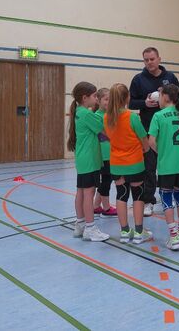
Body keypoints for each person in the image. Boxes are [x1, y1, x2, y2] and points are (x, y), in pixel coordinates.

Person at [129, 47, 179, 216]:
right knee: (149, 167)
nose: (149, 62)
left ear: (159, 59)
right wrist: (144, 103)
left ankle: (169, 196)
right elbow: (131, 103)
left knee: (169, 165)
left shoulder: (170, 77)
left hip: (169, 130)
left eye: (152, 59)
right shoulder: (138, 79)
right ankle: (148, 201)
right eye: (146, 60)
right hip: (148, 130)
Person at [104, 83, 153, 244]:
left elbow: (110, 137)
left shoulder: (107, 117)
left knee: (121, 195)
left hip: (116, 164)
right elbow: (144, 140)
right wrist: (145, 151)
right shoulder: (132, 117)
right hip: (134, 163)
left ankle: (124, 232)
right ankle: (138, 232)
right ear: (127, 98)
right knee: (138, 195)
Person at [148, 84, 179, 250]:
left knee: (166, 197)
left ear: (165, 97)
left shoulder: (158, 116)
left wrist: (162, 153)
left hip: (166, 165)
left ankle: (173, 237)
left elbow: (151, 141)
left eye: (160, 95)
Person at [67, 82, 110, 242]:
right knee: (88, 193)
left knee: (81, 192)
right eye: (94, 96)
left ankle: (80, 224)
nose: (96, 99)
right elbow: (104, 131)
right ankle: (90, 228)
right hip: (90, 159)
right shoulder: (86, 114)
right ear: (85, 98)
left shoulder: (79, 111)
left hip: (83, 159)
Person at [93, 88, 117, 218]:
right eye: (106, 99)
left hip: (111, 153)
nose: (109, 102)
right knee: (106, 181)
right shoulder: (97, 116)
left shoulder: (110, 115)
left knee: (107, 179)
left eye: (110, 99)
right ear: (98, 100)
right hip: (104, 155)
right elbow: (101, 136)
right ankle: (106, 208)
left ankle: (96, 206)